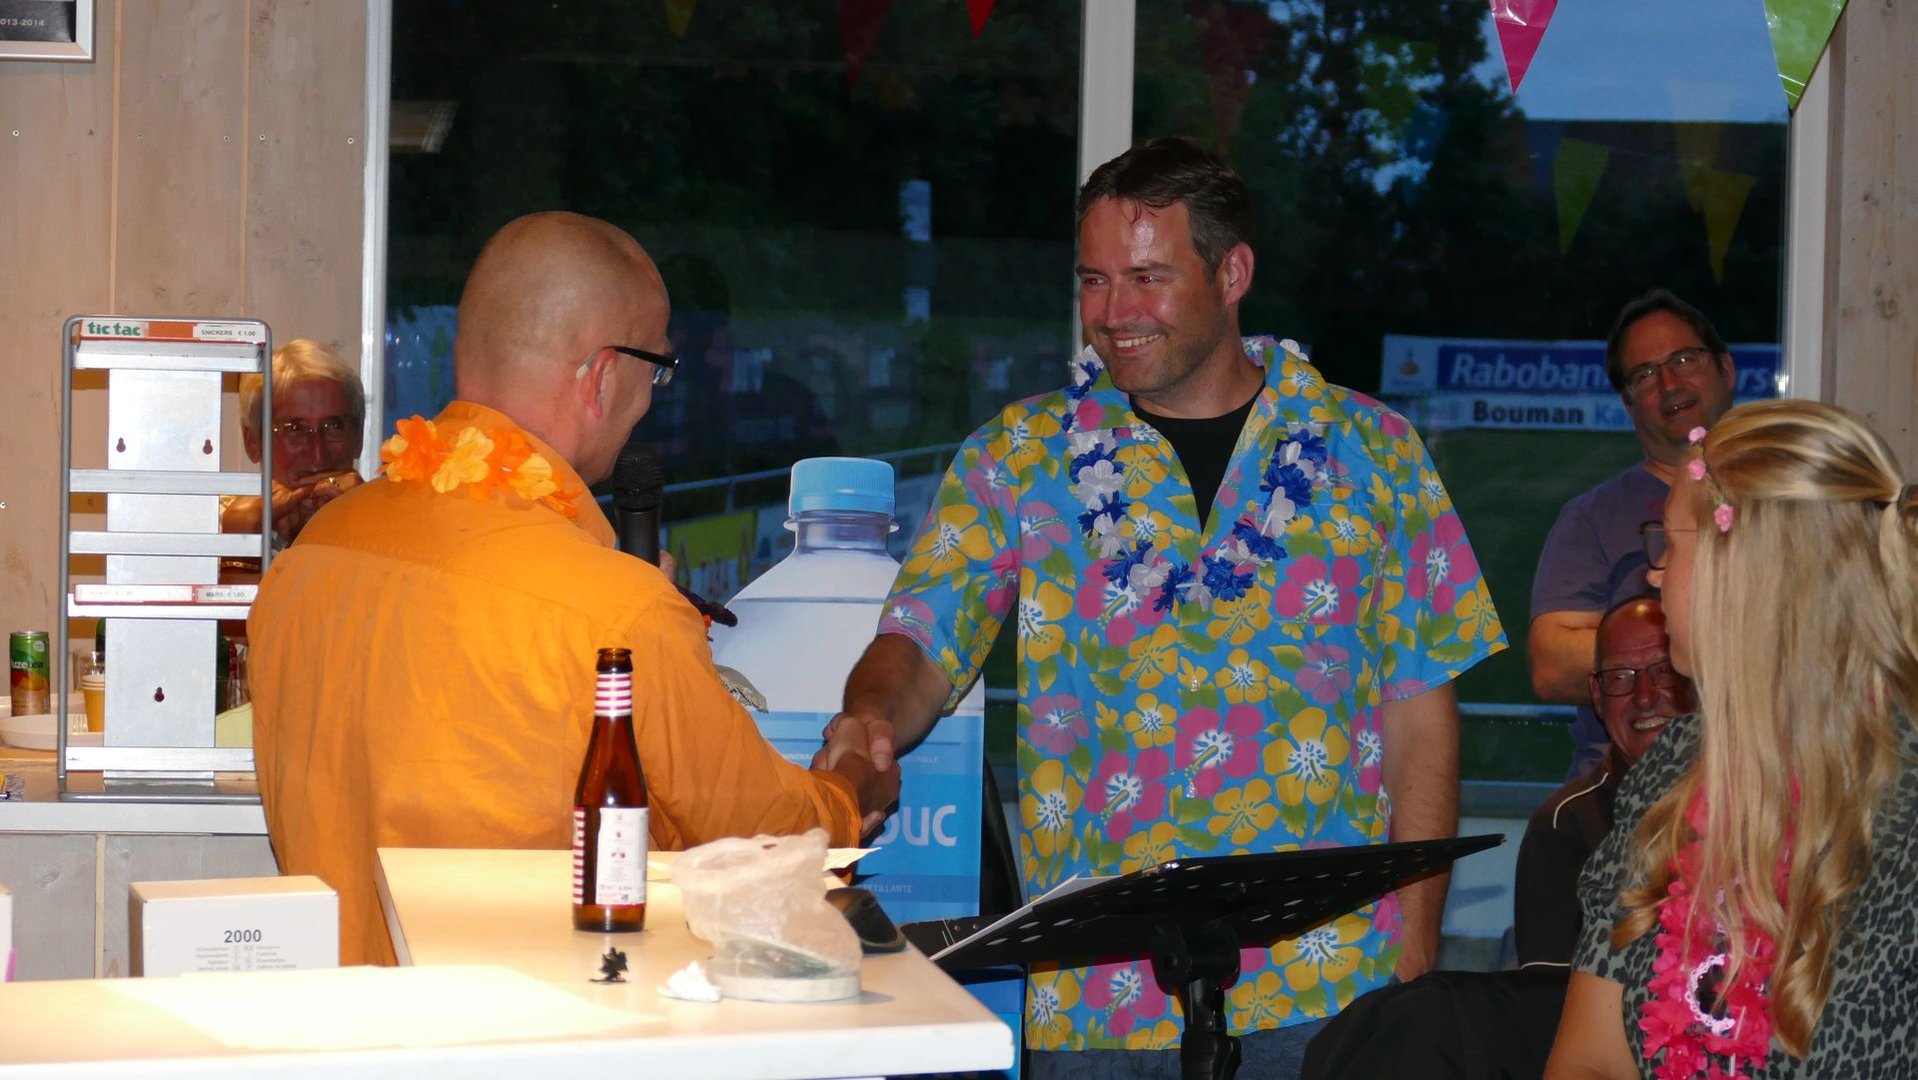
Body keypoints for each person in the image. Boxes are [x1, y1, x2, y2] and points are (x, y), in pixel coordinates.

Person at [827, 137, 1507, 1076]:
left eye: (1147, 278)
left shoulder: (1373, 451)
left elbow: (1420, 715)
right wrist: (866, 721)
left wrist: (1417, 946)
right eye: (1094, 280)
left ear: (1232, 274)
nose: (1114, 314)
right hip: (1097, 996)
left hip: (1331, 983)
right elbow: (921, 638)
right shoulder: (1020, 453)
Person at [248, 212, 900, 966]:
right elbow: (766, 846)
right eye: (656, 371)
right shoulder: (614, 613)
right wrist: (851, 787)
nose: (651, 399)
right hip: (529, 1022)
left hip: (334, 1015)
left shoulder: (310, 556)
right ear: (602, 377)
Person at [1547, 400, 1918, 1077]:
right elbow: (1591, 1060)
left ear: (1744, 570)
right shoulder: (1670, 769)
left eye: (1671, 545)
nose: (1654, 573)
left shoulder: (1904, 801)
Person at [1529, 290, 1737, 776]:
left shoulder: (1786, 499)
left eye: (1684, 359)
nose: (1669, 383)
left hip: (1763, 778)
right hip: (1622, 789)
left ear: (1726, 368)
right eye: (1644, 374)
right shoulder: (1591, 519)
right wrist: (1711, 645)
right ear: (1627, 404)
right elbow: (1552, 667)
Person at [1514, 594, 1694, 971]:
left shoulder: (1753, 807)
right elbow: (1547, 997)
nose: (1644, 697)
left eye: (1663, 671)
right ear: (1597, 696)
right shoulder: (1564, 828)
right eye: (1619, 678)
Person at [222, 338, 368, 546]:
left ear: (359, 436)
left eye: (334, 426)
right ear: (253, 441)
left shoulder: (388, 520)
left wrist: (367, 520)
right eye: (294, 429)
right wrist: (238, 543)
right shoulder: (208, 523)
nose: (318, 456)